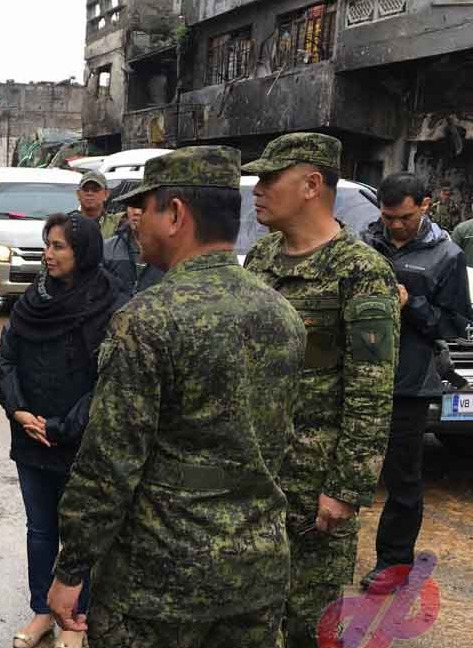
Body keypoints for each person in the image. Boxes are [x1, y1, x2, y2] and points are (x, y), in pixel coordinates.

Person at [47, 146, 307, 648]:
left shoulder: (148, 320)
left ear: (176, 215)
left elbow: (109, 464)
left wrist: (71, 567)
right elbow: (281, 444)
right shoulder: (283, 314)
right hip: (255, 574)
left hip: (157, 585)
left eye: (145, 209)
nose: (136, 223)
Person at [242, 133, 399, 648]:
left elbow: (371, 392)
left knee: (310, 625)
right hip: (254, 478)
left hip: (315, 490)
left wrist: (347, 489)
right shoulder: (261, 259)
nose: (258, 190)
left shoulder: (361, 272)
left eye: (270, 178)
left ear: (312, 185)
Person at [0, 213, 120, 648]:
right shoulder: (34, 299)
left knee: (79, 532)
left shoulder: (110, 303)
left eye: (58, 246)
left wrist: (62, 426)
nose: (48, 253)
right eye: (46, 244)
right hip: (30, 437)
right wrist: (18, 411)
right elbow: (7, 357)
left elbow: (108, 381)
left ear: (82, 251)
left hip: (79, 440)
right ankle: (42, 611)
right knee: (40, 529)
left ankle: (75, 618)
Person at [360, 172, 472, 591]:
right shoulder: (364, 244)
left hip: (409, 384)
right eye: (387, 217)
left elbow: (454, 325)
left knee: (402, 479)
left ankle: (394, 564)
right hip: (358, 376)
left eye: (404, 217)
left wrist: (413, 303)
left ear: (425, 205)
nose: (395, 225)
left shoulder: (447, 255)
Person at [102, 204, 164, 296]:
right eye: (132, 206)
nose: (136, 212)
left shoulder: (171, 252)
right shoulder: (107, 249)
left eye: (142, 206)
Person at [71, 171, 118, 238]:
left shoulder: (116, 225)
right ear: (78, 194)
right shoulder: (68, 224)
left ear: (106, 194)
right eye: (85, 189)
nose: (90, 193)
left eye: (95, 189)